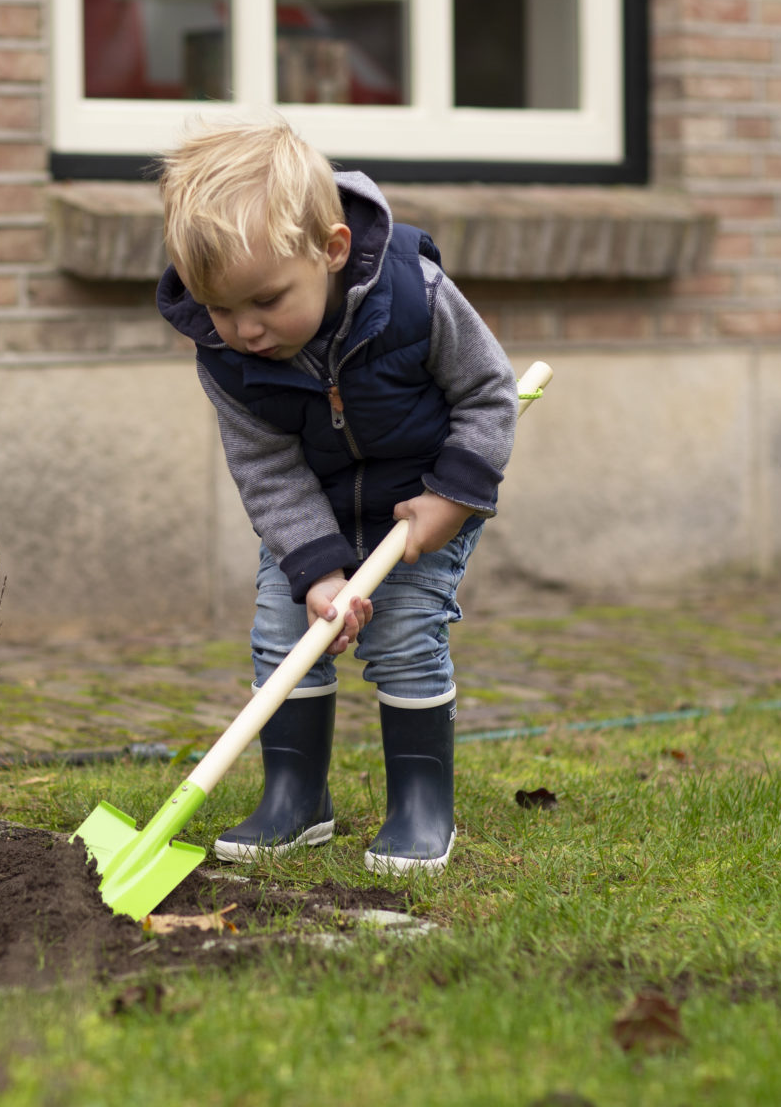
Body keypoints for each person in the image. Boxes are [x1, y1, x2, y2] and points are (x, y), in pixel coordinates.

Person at [155, 114, 518, 874]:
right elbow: (267, 468)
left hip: (420, 506)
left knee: (405, 636)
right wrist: (317, 572)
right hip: (309, 517)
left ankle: (422, 806)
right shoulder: (227, 355)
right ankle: (294, 800)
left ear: (332, 250)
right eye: (222, 308)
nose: (245, 330)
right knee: (281, 637)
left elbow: (489, 395)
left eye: (265, 301)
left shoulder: (413, 296)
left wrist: (453, 499)